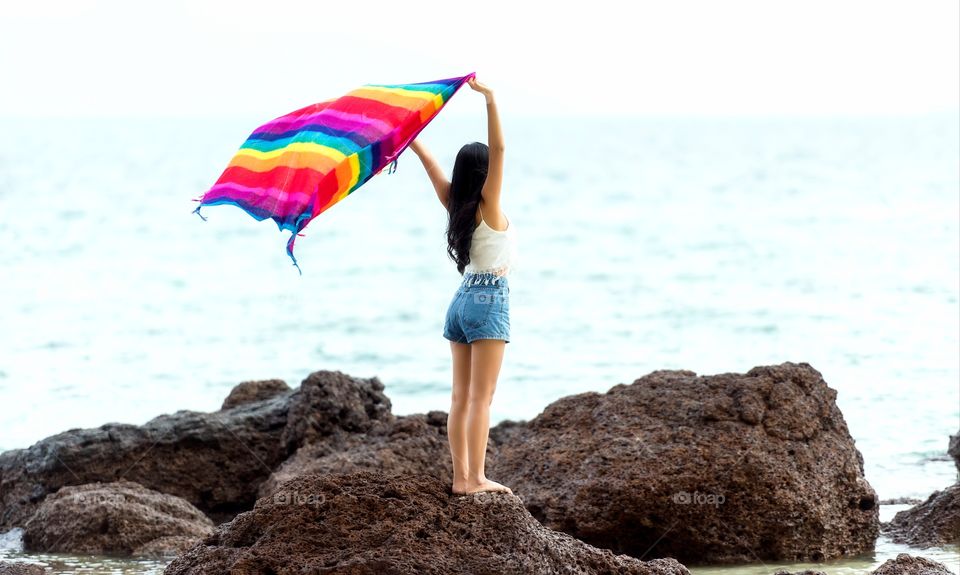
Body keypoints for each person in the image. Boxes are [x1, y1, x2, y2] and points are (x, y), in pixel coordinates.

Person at [408, 76, 517, 495]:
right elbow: (502, 149)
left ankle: (460, 479)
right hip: (488, 300)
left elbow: (431, 166)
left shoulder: (455, 203)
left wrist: (411, 139)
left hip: (459, 302)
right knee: (481, 399)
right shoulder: (489, 206)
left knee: (460, 397)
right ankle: (475, 479)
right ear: (487, 174)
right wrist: (490, 99)